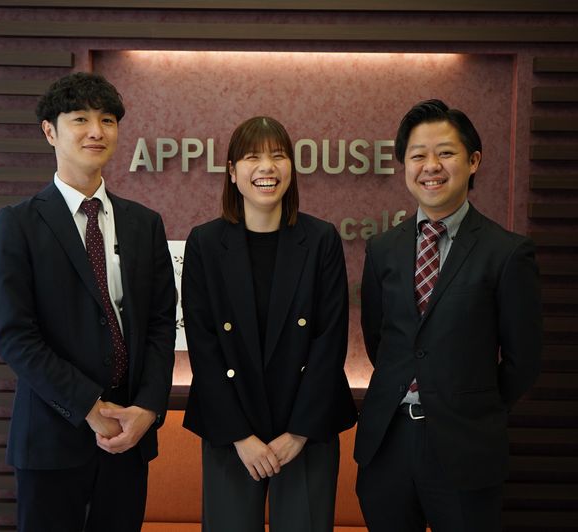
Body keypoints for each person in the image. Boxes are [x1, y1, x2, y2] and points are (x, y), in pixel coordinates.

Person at [0, 72, 176, 532]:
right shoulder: (18, 224)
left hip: (128, 435)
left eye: (107, 120)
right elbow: (15, 336)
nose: (96, 131)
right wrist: (89, 406)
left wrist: (148, 409)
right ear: (50, 131)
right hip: (51, 436)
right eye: (80, 119)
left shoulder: (144, 223)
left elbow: (160, 325)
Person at [354, 99, 542, 531]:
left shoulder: (507, 252)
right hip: (387, 444)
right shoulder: (383, 248)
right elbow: (379, 340)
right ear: (405, 165)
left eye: (445, 153)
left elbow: (524, 360)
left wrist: (472, 405)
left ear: (473, 161)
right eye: (418, 155)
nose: (431, 166)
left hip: (465, 447)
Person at [181, 116, 357, 531]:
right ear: (232, 171)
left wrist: (297, 434)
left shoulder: (321, 239)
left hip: (306, 428)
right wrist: (241, 437)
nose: (266, 167)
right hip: (231, 430)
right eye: (252, 157)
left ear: (291, 168)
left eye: (278, 156)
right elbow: (203, 347)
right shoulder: (205, 243)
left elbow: (329, 341)